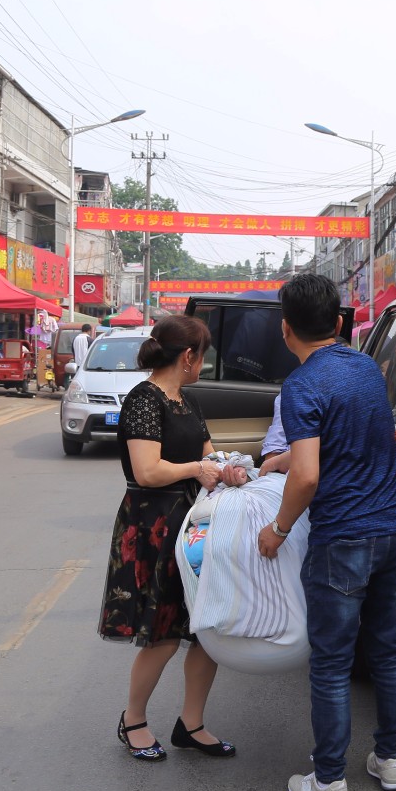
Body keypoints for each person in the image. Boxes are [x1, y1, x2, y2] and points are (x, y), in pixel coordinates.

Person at [256, 273, 396, 791]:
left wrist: (275, 530)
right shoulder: (366, 368)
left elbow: (306, 478)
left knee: (330, 663)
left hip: (344, 536)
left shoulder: (301, 385)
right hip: (395, 529)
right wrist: (287, 460)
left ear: (285, 329)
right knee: (387, 650)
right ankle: (390, 761)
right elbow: (352, 442)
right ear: (341, 323)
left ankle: (329, 782)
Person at [99, 315, 239, 763]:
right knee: (160, 634)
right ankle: (134, 720)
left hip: (195, 523)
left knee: (205, 629)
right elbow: (148, 470)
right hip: (153, 525)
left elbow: (208, 452)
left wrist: (227, 467)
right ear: (188, 357)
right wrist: (198, 471)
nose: (203, 365)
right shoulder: (144, 399)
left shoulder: (188, 400)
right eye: (203, 357)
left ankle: (191, 724)